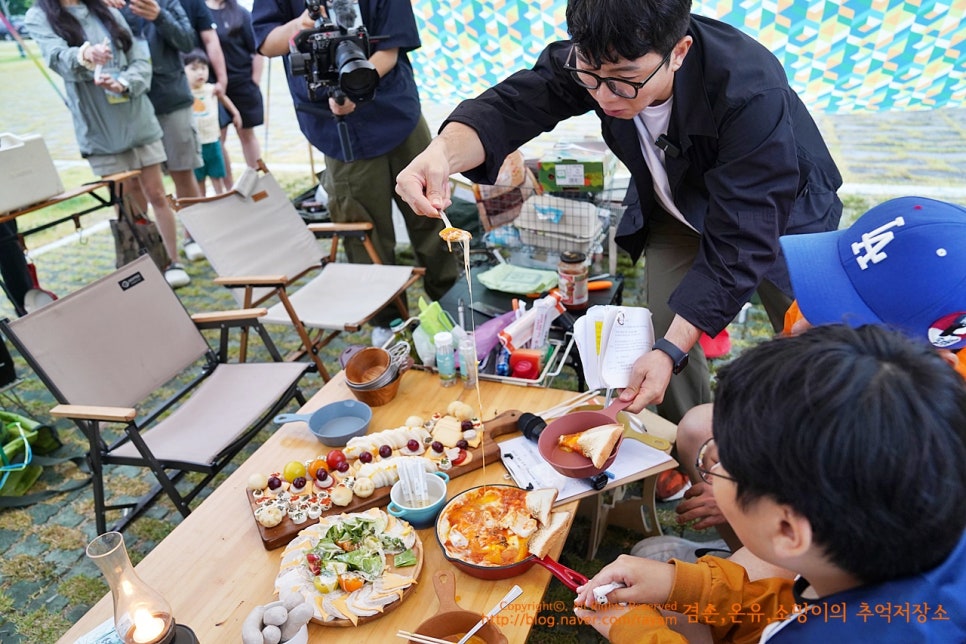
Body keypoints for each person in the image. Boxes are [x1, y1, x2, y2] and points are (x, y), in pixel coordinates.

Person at [395, 0, 842, 423]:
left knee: (814, 338)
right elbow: (515, 104)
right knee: (667, 326)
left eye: (625, 80)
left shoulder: (748, 90)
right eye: (590, 76)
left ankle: (822, 455)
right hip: (677, 204)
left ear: (679, 51)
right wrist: (441, 154)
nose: (605, 97)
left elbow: (742, 237)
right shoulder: (596, 59)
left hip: (784, 216)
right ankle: (685, 451)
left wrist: (672, 349)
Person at [573, 323, 966, 642]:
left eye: (723, 465)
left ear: (787, 529)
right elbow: (786, 605)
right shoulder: (882, 569)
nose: (714, 467)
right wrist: (683, 585)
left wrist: (635, 630)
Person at [671, 196, 966, 551]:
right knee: (699, 428)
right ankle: (750, 569)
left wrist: (748, 496)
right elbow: (785, 394)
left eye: (839, 312)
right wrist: (737, 451)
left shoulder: (935, 426)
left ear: (930, 362)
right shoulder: (814, 315)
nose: (798, 327)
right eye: (828, 284)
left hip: (878, 551)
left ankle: (768, 583)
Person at [252, 0, 458, 338]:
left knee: (431, 210)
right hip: (336, 127)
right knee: (365, 231)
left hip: (396, 112)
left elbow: (389, 51)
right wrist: (302, 25)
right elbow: (265, 42)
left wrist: (354, 83)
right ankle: (388, 319)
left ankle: (449, 299)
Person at [26, 0, 190, 287]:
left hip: (136, 112)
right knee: (126, 201)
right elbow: (55, 57)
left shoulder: (106, 9)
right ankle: (144, 263)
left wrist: (126, 82)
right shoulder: (39, 15)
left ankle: (172, 260)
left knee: (156, 192)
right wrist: (85, 54)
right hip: (99, 125)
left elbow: (139, 56)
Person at [120, 0, 205, 255]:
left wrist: (159, 16)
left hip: (171, 99)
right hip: (129, 105)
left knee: (183, 172)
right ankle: (148, 250)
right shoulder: (108, 6)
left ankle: (197, 237)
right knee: (138, 185)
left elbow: (188, 41)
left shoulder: (166, 2)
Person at [205, 0, 263, 185]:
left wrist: (254, 81)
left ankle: (256, 180)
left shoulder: (240, 13)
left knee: (246, 133)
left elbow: (257, 51)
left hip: (242, 82)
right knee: (217, 138)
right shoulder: (202, 12)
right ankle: (227, 186)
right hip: (215, 87)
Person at [184, 48, 241, 194]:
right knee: (199, 178)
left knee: (217, 175)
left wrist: (235, 113)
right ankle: (203, 202)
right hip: (195, 145)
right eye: (194, 69)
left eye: (203, 68)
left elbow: (224, 99)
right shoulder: (185, 94)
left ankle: (220, 198)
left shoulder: (211, 89)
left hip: (213, 141)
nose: (200, 73)